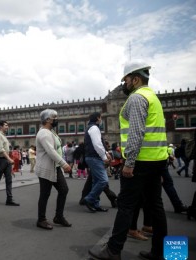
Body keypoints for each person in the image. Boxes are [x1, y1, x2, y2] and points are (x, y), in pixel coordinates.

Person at [89, 60, 168, 260]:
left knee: (125, 205)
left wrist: (129, 162)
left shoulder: (137, 98)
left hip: (140, 161)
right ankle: (163, 253)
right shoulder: (153, 98)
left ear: (135, 79)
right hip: (157, 160)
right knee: (156, 206)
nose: (124, 84)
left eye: (125, 80)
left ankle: (113, 250)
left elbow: (136, 132)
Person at [35, 109, 72, 229]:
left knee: (64, 190)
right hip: (46, 168)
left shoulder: (51, 132)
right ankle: (41, 219)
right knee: (45, 194)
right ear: (47, 119)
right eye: (54, 117)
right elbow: (51, 151)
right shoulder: (44, 133)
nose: (56, 119)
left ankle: (58, 216)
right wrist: (64, 164)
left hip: (55, 168)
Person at [81, 112, 112, 213]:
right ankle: (89, 199)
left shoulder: (91, 127)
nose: (101, 119)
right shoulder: (94, 128)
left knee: (95, 181)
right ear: (98, 118)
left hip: (93, 157)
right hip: (95, 157)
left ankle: (95, 204)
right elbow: (97, 144)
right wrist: (104, 156)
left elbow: (99, 143)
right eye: (101, 118)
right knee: (103, 180)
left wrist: (106, 152)